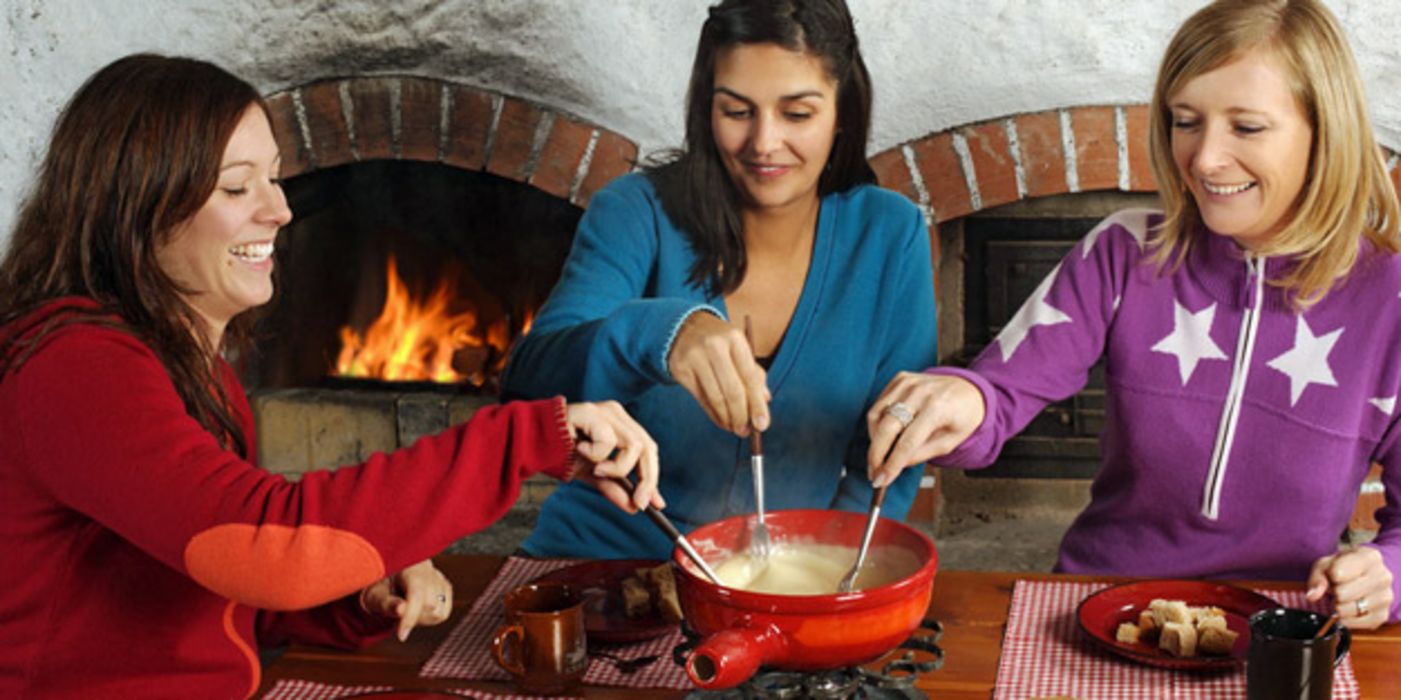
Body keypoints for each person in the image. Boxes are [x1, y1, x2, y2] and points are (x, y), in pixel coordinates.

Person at [0, 53, 662, 698]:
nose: (280, 212)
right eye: (236, 186)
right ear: (136, 210)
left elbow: (227, 592)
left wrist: (359, 599)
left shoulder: (196, 373)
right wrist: (522, 440)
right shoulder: (76, 367)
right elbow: (266, 551)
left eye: (275, 178)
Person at [866, 0, 1399, 629]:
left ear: (1324, 131)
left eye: (1247, 128)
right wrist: (957, 402)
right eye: (1186, 121)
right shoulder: (1122, 251)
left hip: (1282, 623)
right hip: (1103, 604)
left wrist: (1385, 571)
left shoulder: (1389, 299)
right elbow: (1000, 393)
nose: (1203, 159)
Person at [502, 0, 937, 559]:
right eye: (737, 111)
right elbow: (528, 385)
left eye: (798, 114)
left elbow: (893, 447)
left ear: (842, 113)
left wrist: (829, 568)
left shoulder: (890, 232)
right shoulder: (633, 213)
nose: (763, 143)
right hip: (600, 565)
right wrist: (663, 336)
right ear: (706, 110)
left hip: (795, 576)